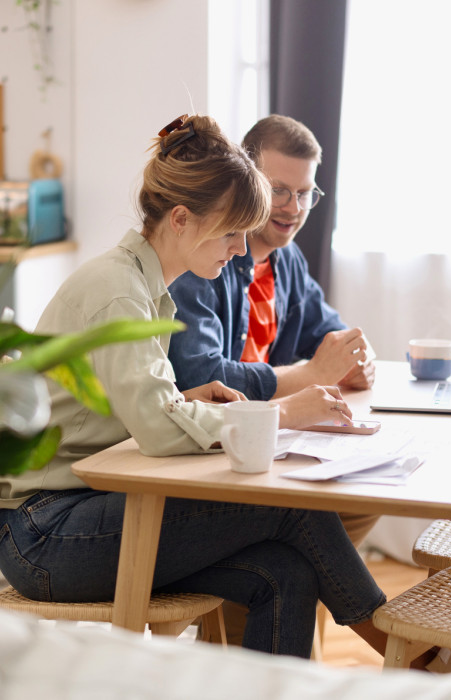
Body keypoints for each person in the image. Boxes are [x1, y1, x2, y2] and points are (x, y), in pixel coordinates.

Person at [0, 114, 393, 659]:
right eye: (231, 232)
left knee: (286, 573)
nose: (241, 250)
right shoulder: (118, 291)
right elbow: (156, 431)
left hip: (81, 507)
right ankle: (410, 655)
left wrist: (184, 402)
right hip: (43, 533)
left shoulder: (145, 287)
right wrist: (284, 412)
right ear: (180, 220)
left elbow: (126, 410)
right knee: (292, 507)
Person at [166, 116, 382, 643]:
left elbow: (328, 331)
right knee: (305, 525)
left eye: (305, 193)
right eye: (279, 190)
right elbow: (201, 374)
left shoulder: (287, 261)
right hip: (209, 448)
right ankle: (396, 645)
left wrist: (358, 356)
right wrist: (308, 375)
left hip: (266, 441)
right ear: (246, 181)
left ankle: (271, 642)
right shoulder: (203, 260)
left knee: (361, 500)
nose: (292, 207)